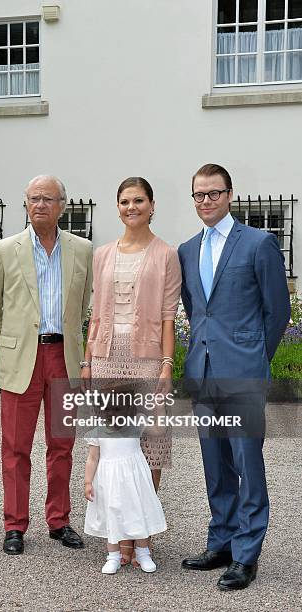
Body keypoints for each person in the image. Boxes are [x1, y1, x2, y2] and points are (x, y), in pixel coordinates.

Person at [178, 164, 291, 591]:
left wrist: (254, 359)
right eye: (199, 195)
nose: (206, 201)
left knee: (246, 463)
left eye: (214, 193)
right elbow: (196, 308)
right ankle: (221, 541)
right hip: (203, 370)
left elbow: (276, 310)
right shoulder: (187, 249)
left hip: (243, 371)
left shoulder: (259, 243)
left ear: (229, 195)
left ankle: (247, 554)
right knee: (215, 464)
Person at [0, 175, 93, 555]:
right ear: (25, 204)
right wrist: (11, 340)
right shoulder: (5, 249)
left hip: (64, 357)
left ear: (63, 204)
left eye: (48, 198)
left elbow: (81, 309)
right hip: (22, 359)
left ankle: (58, 521)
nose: (40, 205)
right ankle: (14, 525)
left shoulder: (82, 250)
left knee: (62, 444)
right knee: (15, 446)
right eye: (34, 198)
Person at [81, 176, 181, 563]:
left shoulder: (166, 254)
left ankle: (141, 534)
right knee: (111, 445)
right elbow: (96, 312)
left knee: (151, 445)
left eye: (139, 200)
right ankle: (116, 533)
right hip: (107, 356)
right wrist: (88, 360)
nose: (131, 207)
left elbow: (168, 316)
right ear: (117, 207)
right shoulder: (102, 253)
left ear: (152, 205)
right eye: (124, 201)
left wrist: (167, 365)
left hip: (148, 357)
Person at [84, 400, 167, 575]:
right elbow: (92, 458)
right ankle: (113, 555)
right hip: (110, 482)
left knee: (138, 512)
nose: (113, 414)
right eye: (108, 410)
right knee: (112, 515)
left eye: (118, 410)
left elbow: (159, 430)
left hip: (134, 480)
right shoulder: (98, 430)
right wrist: (88, 482)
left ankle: (143, 553)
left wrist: (159, 408)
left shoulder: (136, 423)